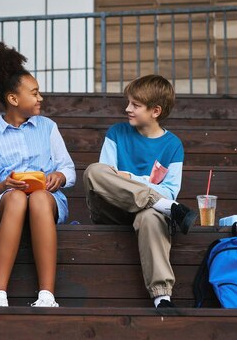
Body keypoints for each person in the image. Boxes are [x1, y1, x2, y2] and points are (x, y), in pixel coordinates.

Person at [83, 74, 198, 309]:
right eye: (128, 103)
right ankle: (162, 207)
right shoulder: (116, 133)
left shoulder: (172, 145)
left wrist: (132, 178)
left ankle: (161, 296)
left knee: (150, 215)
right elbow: (105, 178)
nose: (128, 109)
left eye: (135, 105)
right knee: (93, 171)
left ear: (155, 111)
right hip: (111, 208)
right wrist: (154, 194)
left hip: (146, 212)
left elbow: (170, 191)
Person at [0, 42, 76, 307]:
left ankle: (47, 295)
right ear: (13, 98)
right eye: (34, 93)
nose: (40, 98)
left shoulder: (48, 127)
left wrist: (59, 177)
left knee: (40, 198)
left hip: (47, 197)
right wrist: (3, 186)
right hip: (10, 200)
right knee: (18, 199)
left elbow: (69, 169)